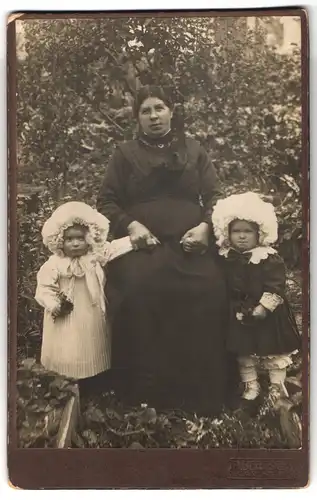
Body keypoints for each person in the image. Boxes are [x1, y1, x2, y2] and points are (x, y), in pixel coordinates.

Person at [96, 85, 231, 416]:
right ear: (137, 118)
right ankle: (145, 395)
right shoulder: (124, 153)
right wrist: (131, 225)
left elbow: (215, 196)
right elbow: (107, 200)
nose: (154, 116)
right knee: (141, 289)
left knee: (211, 288)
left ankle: (203, 394)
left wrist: (206, 228)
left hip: (190, 245)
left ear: (172, 111)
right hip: (143, 246)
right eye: (146, 110)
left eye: (159, 108)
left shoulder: (194, 150)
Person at [212, 192, 301, 401]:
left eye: (248, 232)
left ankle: (277, 386)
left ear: (259, 233)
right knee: (243, 351)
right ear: (227, 233)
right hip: (239, 311)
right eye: (236, 231)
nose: (242, 236)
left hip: (267, 312)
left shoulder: (267, 257)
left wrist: (263, 307)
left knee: (274, 351)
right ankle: (251, 385)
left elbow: (276, 284)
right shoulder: (226, 257)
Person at [35, 201, 133, 384]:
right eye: (69, 239)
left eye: (80, 238)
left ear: (89, 238)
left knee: (91, 341)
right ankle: (64, 381)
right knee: (67, 345)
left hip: (91, 310)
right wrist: (54, 304)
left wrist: (133, 241)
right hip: (66, 314)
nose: (75, 244)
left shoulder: (93, 257)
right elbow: (44, 288)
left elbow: (112, 249)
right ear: (59, 240)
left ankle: (94, 380)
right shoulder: (54, 264)